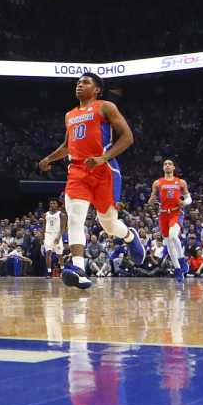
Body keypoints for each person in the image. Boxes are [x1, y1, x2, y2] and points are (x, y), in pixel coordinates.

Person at [38, 73, 145, 291]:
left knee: (108, 224)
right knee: (76, 217)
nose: (79, 84)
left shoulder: (105, 107)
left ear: (97, 90)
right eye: (78, 82)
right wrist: (49, 158)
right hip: (77, 170)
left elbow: (127, 137)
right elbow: (68, 145)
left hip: (104, 169)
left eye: (85, 82)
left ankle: (128, 235)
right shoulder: (70, 115)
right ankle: (79, 269)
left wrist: (103, 158)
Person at [148, 159, 192, 281]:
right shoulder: (157, 183)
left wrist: (185, 202)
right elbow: (152, 198)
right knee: (168, 243)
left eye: (170, 164)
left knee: (173, 236)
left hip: (176, 212)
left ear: (173, 168)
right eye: (165, 164)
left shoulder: (181, 182)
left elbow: (189, 199)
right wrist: (151, 201)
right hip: (163, 214)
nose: (167, 166)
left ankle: (182, 260)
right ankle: (178, 269)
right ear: (163, 168)